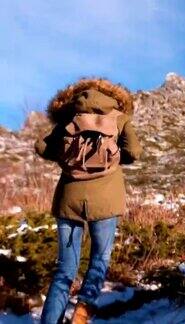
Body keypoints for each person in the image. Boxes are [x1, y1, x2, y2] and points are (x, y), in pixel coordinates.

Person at [35, 78, 142, 324]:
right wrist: (114, 158)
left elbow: (41, 147)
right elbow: (135, 152)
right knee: (99, 259)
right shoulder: (120, 117)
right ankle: (82, 313)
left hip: (68, 199)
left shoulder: (68, 117)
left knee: (64, 269)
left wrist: (65, 157)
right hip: (107, 199)